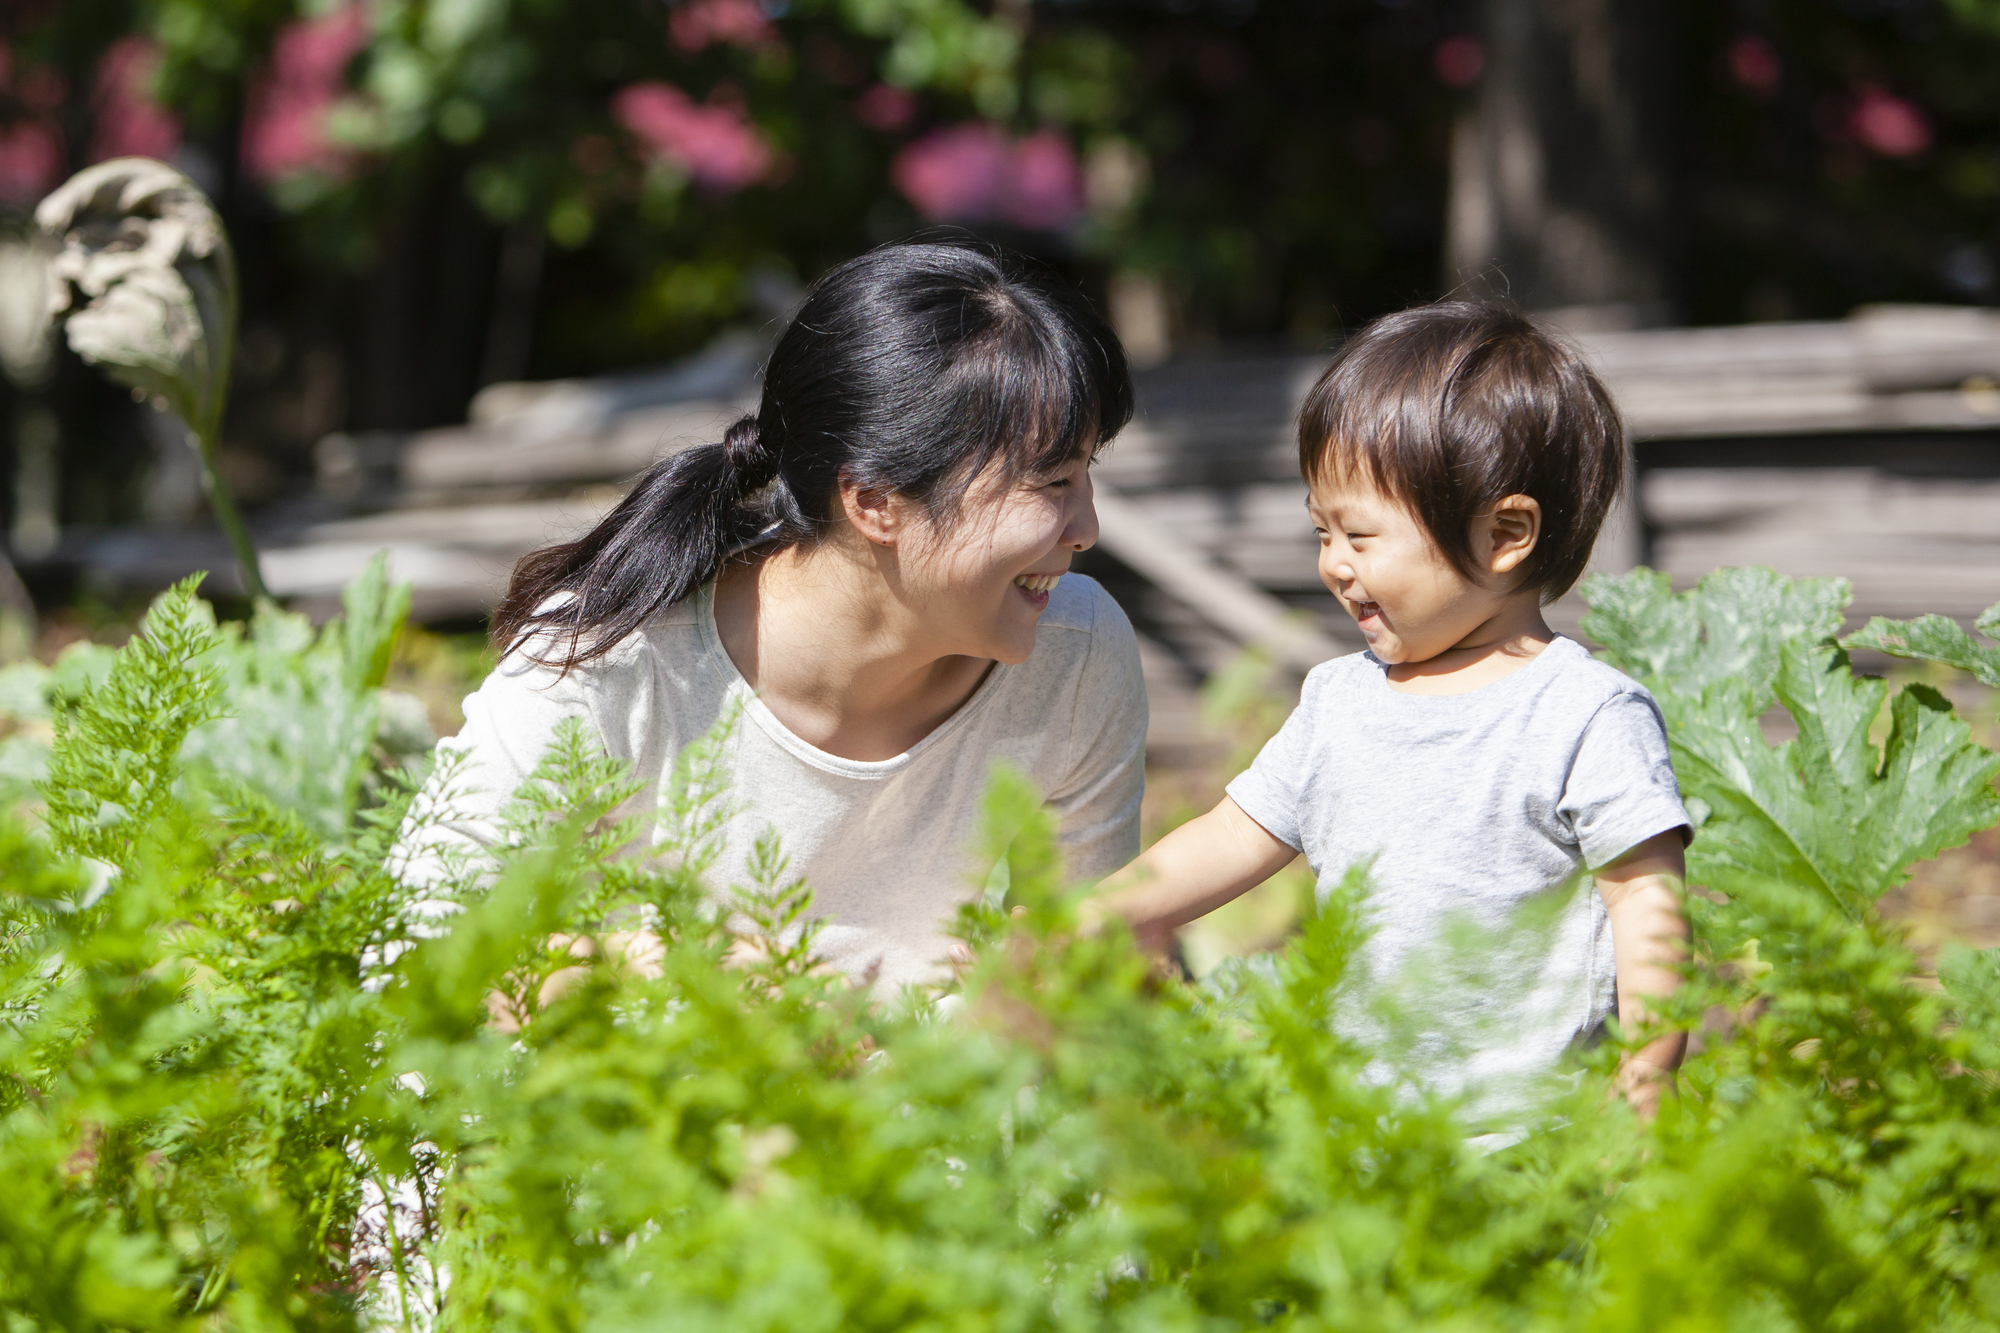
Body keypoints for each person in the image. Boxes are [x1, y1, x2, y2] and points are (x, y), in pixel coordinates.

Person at [398, 241, 1148, 991]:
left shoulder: (1077, 652)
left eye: (1087, 476)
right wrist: (667, 973)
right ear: (875, 502)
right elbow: (411, 949)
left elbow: (1093, 973)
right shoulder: (609, 658)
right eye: (1051, 481)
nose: (1087, 527)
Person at [1093, 302, 1691, 1119]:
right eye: (1320, 530)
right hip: (1358, 1137)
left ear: (1504, 533)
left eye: (1360, 535)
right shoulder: (1340, 701)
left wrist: (1647, 1076)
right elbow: (1234, 835)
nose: (1333, 564)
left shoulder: (1584, 714)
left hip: (1533, 1141)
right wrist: (1098, 909)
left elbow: (1645, 906)